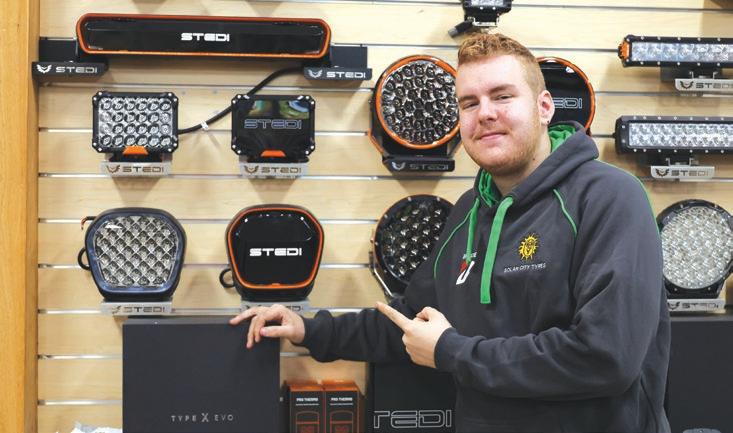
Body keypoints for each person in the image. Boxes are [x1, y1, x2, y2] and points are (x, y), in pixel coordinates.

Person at [231, 33, 671, 432]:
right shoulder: (468, 211)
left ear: (544, 107)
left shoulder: (609, 197)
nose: (486, 114)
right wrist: (308, 330)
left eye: (503, 96)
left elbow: (605, 357)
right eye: (469, 103)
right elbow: (411, 321)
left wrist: (451, 352)